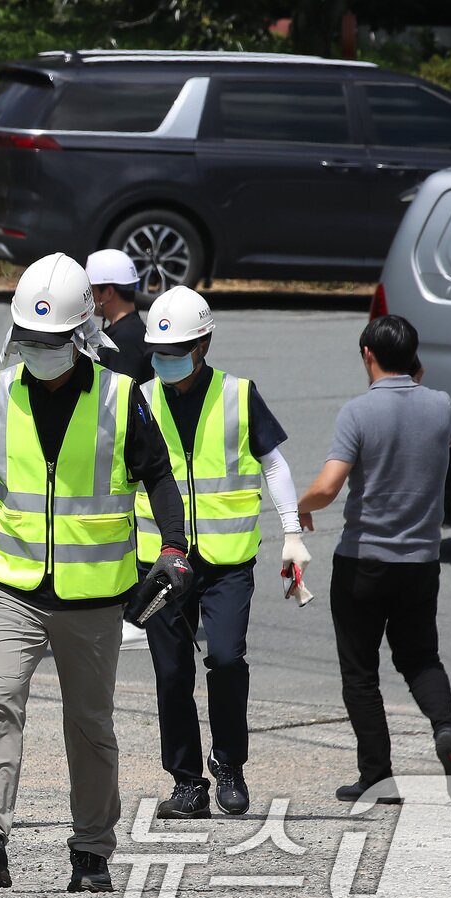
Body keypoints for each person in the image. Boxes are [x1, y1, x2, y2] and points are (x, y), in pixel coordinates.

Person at [0, 253, 192, 894]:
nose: (41, 352)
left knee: (89, 726)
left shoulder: (120, 397)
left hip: (93, 597)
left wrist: (174, 549)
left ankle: (91, 852)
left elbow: (160, 476)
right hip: (10, 585)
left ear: (81, 333)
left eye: (53, 342)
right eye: (31, 341)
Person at [135, 286, 309, 819]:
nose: (167, 362)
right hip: (160, 559)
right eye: (158, 353)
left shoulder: (238, 394)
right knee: (170, 673)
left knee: (227, 660)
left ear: (204, 344)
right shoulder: (138, 400)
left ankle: (229, 764)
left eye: (178, 351)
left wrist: (292, 532)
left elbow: (273, 464)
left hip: (228, 558)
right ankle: (187, 782)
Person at [297, 315, 451, 804]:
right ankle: (444, 729)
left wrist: (299, 508)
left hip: (363, 562)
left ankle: (378, 775)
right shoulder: (441, 407)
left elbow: (329, 487)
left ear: (367, 355)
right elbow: (449, 437)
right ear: (415, 359)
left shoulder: (358, 413)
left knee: (360, 672)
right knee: (421, 657)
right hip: (421, 562)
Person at [86, 249, 152, 383]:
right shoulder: (131, 330)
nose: (89, 296)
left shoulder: (124, 340)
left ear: (108, 293)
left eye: (92, 290)